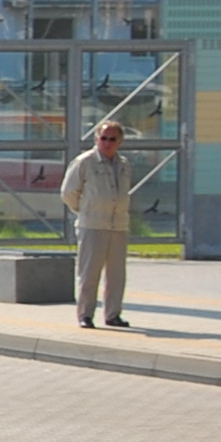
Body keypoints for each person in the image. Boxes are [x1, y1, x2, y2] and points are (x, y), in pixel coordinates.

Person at [61, 121, 134, 329]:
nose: (107, 143)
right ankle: (85, 315)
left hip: (118, 225)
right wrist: (86, 210)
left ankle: (113, 314)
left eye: (112, 139)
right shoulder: (84, 162)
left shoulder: (124, 164)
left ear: (120, 141)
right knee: (89, 273)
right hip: (92, 225)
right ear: (96, 139)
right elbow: (68, 193)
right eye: (103, 138)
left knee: (116, 274)